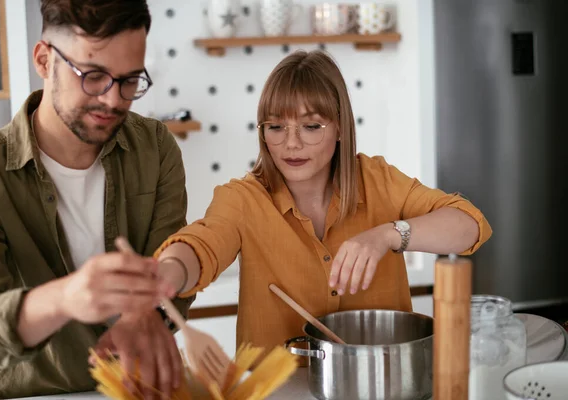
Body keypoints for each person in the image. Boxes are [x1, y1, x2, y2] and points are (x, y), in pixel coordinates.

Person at [151, 50, 493, 359]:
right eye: (275, 127)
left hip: (378, 386)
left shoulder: (378, 180)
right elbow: (202, 245)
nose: (291, 144)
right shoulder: (242, 198)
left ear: (340, 127)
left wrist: (388, 235)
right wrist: (169, 272)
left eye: (311, 126)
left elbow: (469, 225)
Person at [0, 1, 194, 398]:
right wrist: (65, 298)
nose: (113, 100)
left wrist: (147, 311)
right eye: (93, 76)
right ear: (43, 59)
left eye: (129, 80)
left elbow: (173, 260)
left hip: (144, 389)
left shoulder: (156, 148)